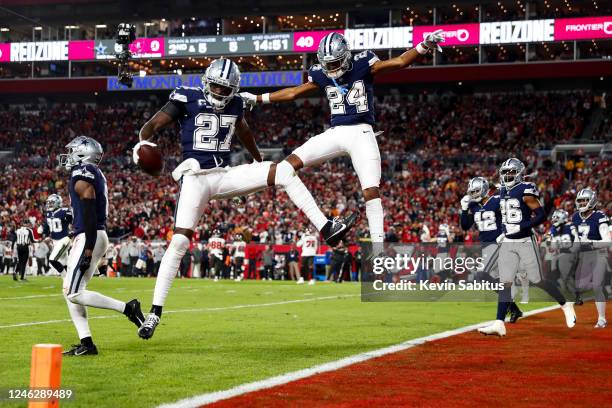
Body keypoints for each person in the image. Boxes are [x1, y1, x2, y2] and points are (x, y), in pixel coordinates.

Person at [135, 58, 356, 340]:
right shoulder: (186, 96)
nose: (218, 92)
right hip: (195, 178)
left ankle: (327, 227)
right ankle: (155, 312)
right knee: (178, 242)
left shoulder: (236, 103)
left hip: (225, 175)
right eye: (214, 86)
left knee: (284, 171)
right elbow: (152, 126)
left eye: (224, 88)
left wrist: (257, 161)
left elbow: (244, 132)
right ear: (206, 81)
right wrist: (142, 144)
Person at [240, 30, 445, 258]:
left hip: (362, 132)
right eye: (328, 64)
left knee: (370, 190)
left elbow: (399, 62)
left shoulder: (362, 63)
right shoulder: (321, 73)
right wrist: (258, 99)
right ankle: (326, 226)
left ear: (346, 56)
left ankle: (378, 249)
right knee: (286, 167)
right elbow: (293, 93)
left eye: (336, 62)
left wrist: (423, 46)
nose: (332, 69)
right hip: (335, 133)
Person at [58, 136, 144, 356]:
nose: (68, 155)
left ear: (82, 153)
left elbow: (87, 199)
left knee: (74, 293)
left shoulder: (83, 171)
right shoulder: (91, 171)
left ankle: (128, 308)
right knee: (70, 290)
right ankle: (86, 343)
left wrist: (87, 246)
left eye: (72, 151)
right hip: (90, 233)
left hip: (90, 235)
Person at [478, 158, 576, 337]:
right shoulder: (501, 192)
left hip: (525, 240)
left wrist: (521, 226)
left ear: (519, 174)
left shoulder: (525, 189)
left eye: (511, 172)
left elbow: (541, 216)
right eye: (505, 172)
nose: (508, 175)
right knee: (505, 282)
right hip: (508, 241)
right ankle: (500, 322)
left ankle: (565, 304)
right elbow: (496, 212)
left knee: (538, 280)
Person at [459, 176, 522, 323]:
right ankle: (513, 309)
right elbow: (465, 226)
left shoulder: (496, 200)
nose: (473, 194)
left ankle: (504, 313)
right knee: (492, 280)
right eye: (471, 192)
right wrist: (463, 209)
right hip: (486, 246)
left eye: (476, 191)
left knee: (481, 275)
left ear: (484, 189)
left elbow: (512, 215)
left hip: (499, 243)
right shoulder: (474, 206)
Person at [571, 188, 609, 328]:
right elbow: (576, 241)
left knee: (597, 285)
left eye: (585, 200)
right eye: (580, 201)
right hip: (584, 256)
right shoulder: (575, 217)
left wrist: (591, 243)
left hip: (599, 253)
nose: (582, 203)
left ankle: (602, 319)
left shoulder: (599, 216)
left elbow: (607, 241)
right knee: (580, 286)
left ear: (592, 201)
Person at [43, 194, 73, 275]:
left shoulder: (64, 211)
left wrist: (73, 231)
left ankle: (65, 278)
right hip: (54, 241)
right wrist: (44, 234)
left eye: (52, 203)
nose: (49, 205)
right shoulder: (48, 214)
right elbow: (46, 229)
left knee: (52, 259)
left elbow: (74, 221)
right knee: (65, 262)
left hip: (64, 240)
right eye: (49, 203)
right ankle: (71, 280)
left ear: (58, 203)